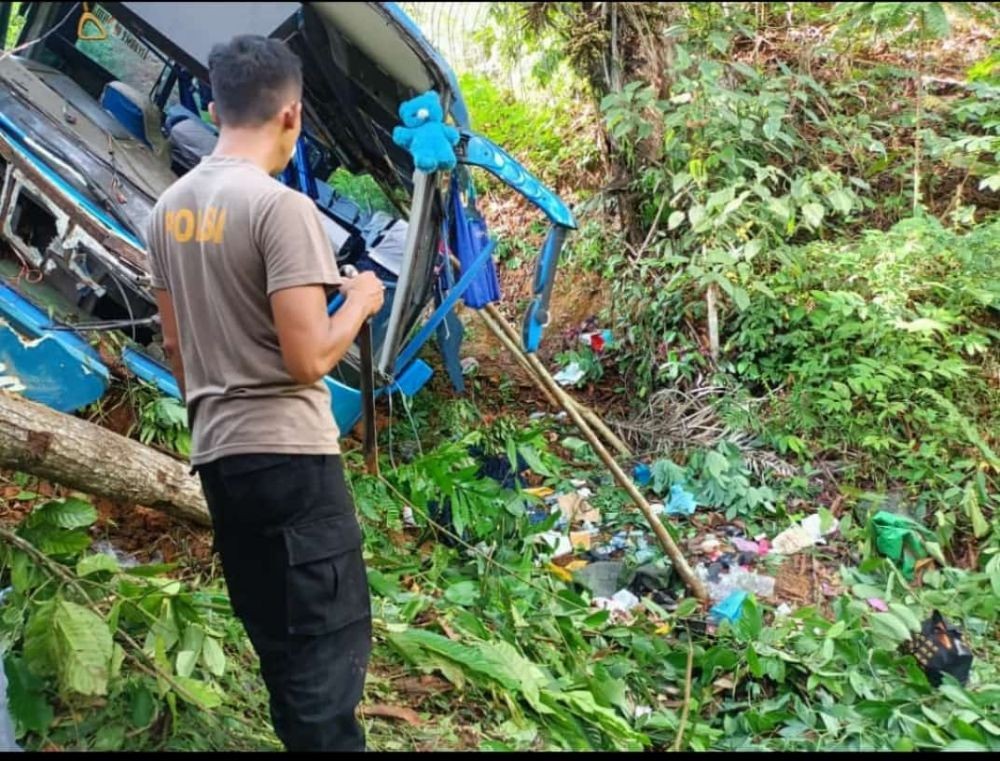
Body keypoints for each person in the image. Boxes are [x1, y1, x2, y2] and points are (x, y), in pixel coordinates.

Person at [144, 34, 384, 752]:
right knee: (326, 650)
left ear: (216, 107)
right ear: (292, 115)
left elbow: (179, 348)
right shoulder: (281, 210)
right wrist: (361, 303)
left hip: (219, 458)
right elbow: (307, 356)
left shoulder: (168, 211)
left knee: (281, 646)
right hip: (291, 461)